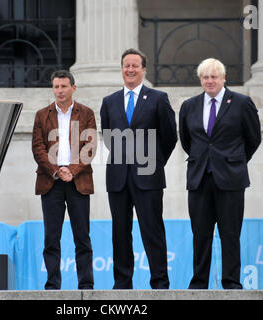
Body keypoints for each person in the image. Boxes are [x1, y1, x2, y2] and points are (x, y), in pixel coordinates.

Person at [179, 58, 261, 289]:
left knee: (230, 234)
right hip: (199, 179)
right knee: (200, 235)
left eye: (214, 76)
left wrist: (234, 160)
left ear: (223, 78)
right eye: (205, 77)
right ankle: (199, 284)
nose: (209, 81)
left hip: (231, 179)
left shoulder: (242, 103)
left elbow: (253, 138)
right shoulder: (189, 106)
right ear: (200, 80)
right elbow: (188, 141)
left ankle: (232, 283)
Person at [100, 48, 177, 289]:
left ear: (144, 69)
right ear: (121, 69)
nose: (130, 69)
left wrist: (153, 161)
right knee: (120, 233)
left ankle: (160, 283)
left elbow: (169, 136)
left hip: (148, 177)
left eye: (135, 65)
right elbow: (107, 136)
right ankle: (122, 283)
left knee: (152, 231)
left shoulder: (158, 98)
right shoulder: (109, 101)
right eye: (126, 65)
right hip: (118, 177)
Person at [32, 70, 97, 290]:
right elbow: (38, 148)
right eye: (56, 87)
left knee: (82, 238)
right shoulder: (42, 115)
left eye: (64, 86)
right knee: (51, 238)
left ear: (73, 88)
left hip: (78, 182)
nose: (60, 91)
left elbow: (90, 146)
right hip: (51, 183)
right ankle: (52, 286)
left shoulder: (86, 113)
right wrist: (56, 170)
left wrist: (72, 170)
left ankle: (86, 286)